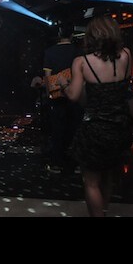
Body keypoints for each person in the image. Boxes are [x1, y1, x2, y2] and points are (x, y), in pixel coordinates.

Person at [58, 15, 133, 217]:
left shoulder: (82, 62)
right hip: (120, 126)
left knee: (91, 182)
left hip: (95, 129)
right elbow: (124, 86)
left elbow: (74, 96)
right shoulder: (126, 55)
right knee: (108, 176)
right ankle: (104, 211)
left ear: (91, 36)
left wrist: (63, 84)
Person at [42, 24, 83, 173]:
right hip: (76, 94)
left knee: (57, 129)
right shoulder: (78, 51)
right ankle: (77, 164)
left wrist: (49, 95)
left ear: (59, 35)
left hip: (57, 96)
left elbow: (48, 76)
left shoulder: (50, 52)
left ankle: (56, 163)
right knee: (75, 128)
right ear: (72, 35)